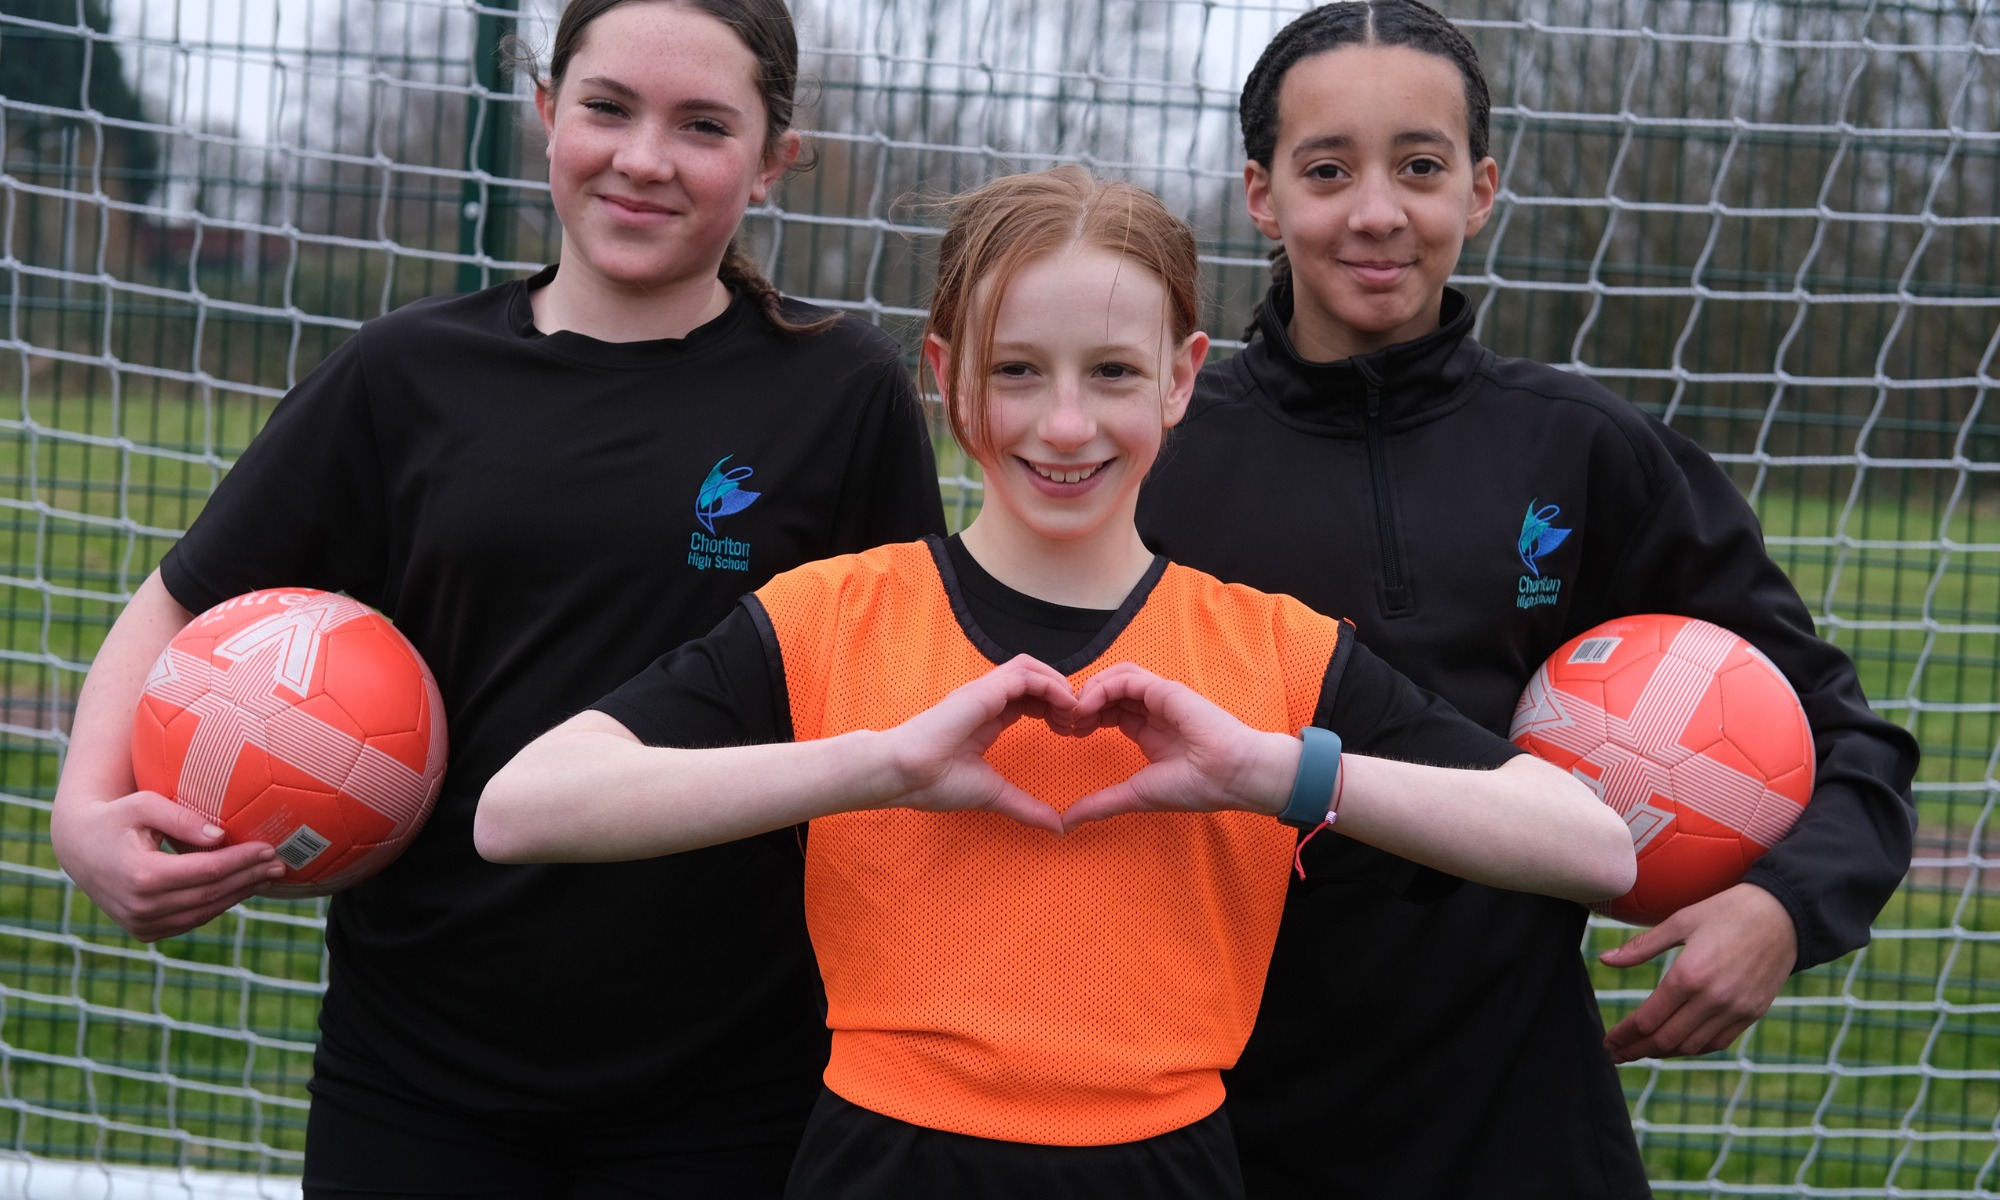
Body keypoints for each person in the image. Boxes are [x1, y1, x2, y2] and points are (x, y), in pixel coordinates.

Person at [475, 165, 1636, 1200]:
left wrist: (1270, 770)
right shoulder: (831, 615)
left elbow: (1591, 848)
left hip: (1168, 1162)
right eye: (1016, 371)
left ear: (1182, 380)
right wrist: (880, 763)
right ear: (945, 375)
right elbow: (520, 809)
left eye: (1113, 371)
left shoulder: (1270, 651)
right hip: (880, 1158)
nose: (1064, 422)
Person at [48, 1, 947, 1194]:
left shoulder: (841, 393)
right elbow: (180, 597)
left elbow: (904, 690)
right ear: (543, 113)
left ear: (773, 160)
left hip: (730, 1080)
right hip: (417, 1069)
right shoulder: (404, 372)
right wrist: (81, 818)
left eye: (702, 125)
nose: (643, 157)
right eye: (607, 107)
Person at [1134, 4, 1923, 1198]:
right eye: (1327, 169)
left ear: (1480, 187)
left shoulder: (1585, 453)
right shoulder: (1161, 456)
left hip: (1514, 1115)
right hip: (1210, 1118)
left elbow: (1840, 730)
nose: (1376, 212)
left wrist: (1780, 908)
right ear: (1260, 193)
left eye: (1419, 166)